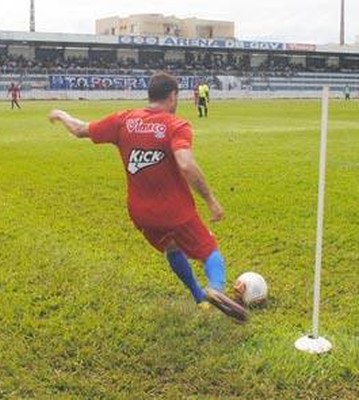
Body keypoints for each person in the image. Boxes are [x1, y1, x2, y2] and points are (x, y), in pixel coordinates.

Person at [48, 72, 248, 323]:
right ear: (173, 96)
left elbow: (79, 130)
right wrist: (210, 200)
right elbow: (185, 164)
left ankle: (199, 297)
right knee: (209, 250)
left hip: (141, 214)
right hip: (175, 212)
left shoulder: (124, 120)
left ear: (150, 95)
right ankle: (216, 289)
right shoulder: (176, 125)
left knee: (172, 247)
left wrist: (60, 114)